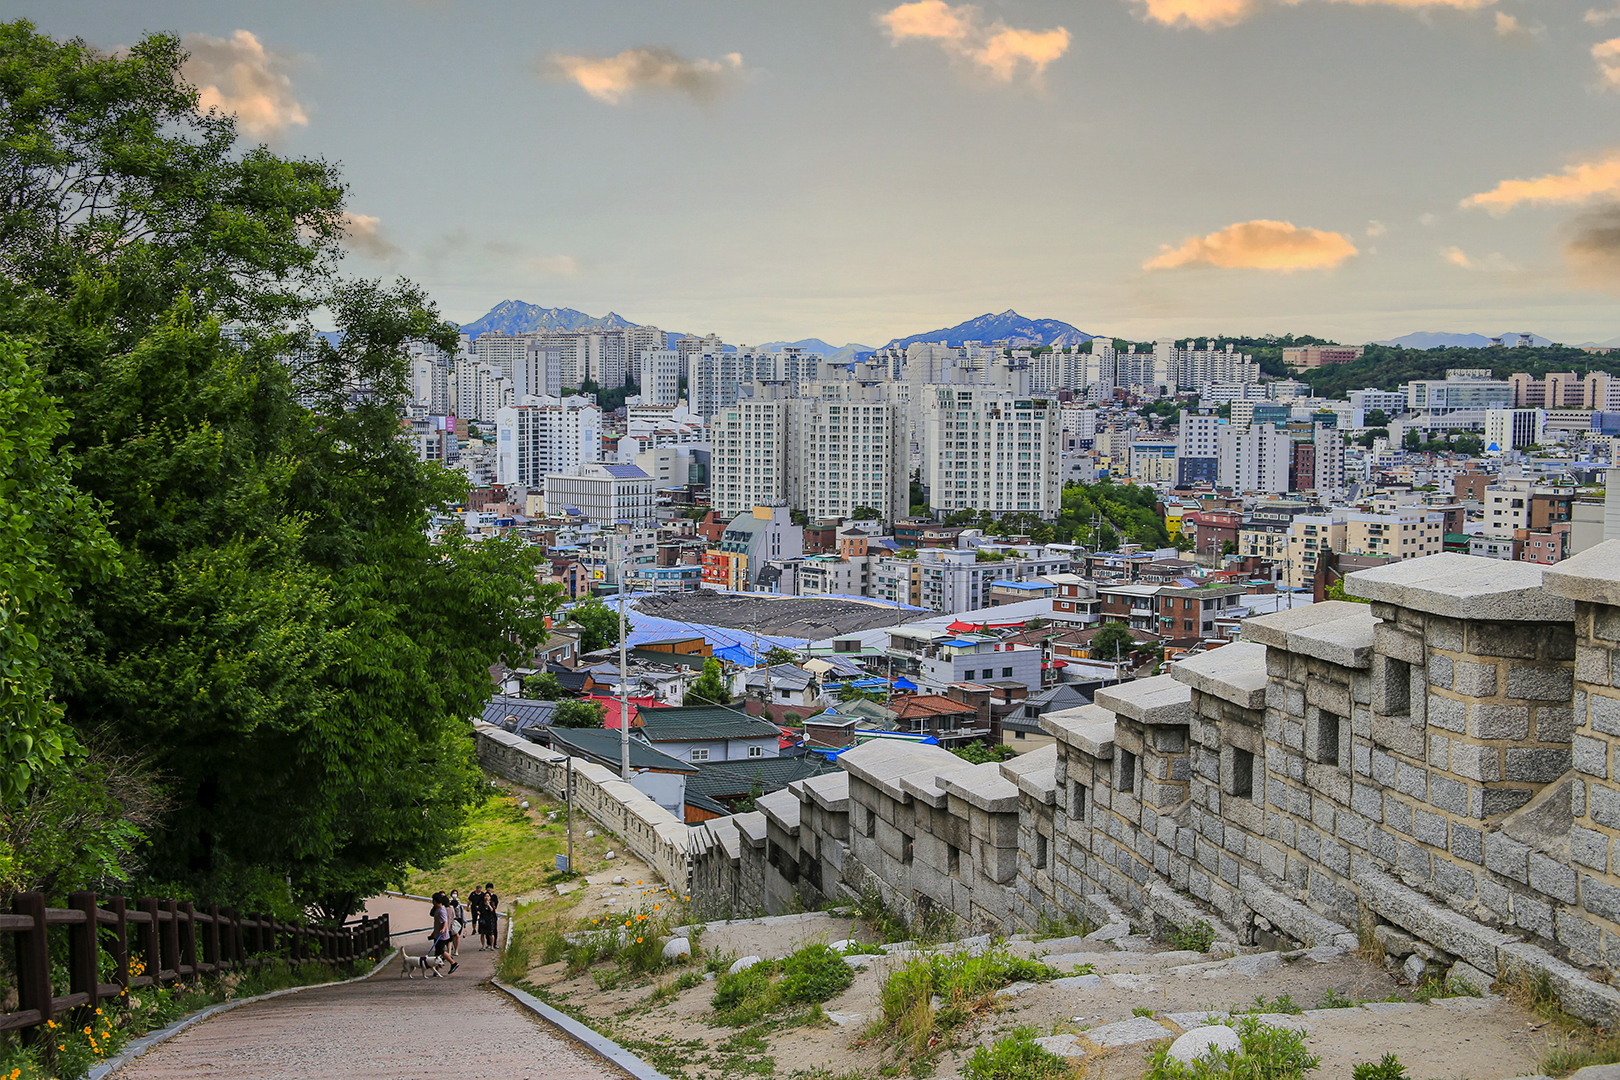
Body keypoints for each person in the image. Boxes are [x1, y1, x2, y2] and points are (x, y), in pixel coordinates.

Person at [430, 891, 458, 976]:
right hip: (438, 934)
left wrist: (443, 929)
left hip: (441, 935)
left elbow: (445, 922)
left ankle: (453, 963)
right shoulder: (439, 909)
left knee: (440, 951)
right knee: (437, 953)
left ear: (435, 901)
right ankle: (436, 971)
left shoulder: (441, 911)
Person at [468, 885, 489, 951]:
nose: (479, 890)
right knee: (474, 919)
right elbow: (469, 900)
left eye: (480, 889)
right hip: (474, 908)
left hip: (481, 908)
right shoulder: (473, 894)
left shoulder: (483, 894)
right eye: (478, 889)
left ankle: (482, 927)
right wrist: (468, 907)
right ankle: (474, 928)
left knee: (481, 919)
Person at [480, 881, 499, 950]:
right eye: (488, 888)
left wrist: (492, 906)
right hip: (485, 916)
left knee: (494, 930)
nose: (489, 889)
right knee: (486, 931)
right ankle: (488, 943)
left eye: (490, 888)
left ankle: (494, 943)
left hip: (492, 916)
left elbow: (496, 904)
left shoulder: (494, 896)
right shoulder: (483, 896)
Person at [448, 889, 464, 958]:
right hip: (452, 920)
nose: (455, 895)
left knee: (456, 935)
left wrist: (464, 922)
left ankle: (456, 949)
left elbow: (462, 912)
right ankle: (453, 949)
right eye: (453, 893)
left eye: (456, 893)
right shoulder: (449, 902)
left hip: (458, 920)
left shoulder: (459, 902)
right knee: (454, 935)